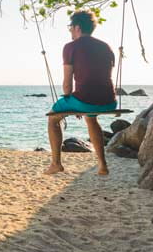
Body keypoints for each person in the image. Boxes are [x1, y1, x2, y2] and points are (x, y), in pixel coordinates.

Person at [44, 10, 117, 176]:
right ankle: (103, 166)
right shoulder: (106, 47)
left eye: (70, 27)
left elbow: (67, 87)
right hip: (109, 100)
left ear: (77, 27)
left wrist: (74, 103)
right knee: (91, 117)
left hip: (84, 100)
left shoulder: (70, 47)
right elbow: (100, 76)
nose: (69, 30)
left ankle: (56, 164)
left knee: (53, 118)